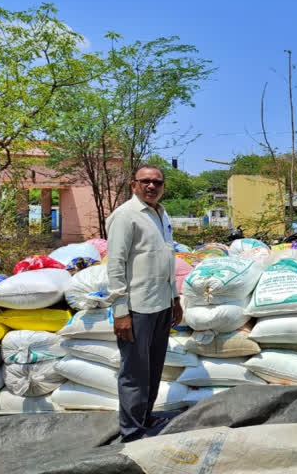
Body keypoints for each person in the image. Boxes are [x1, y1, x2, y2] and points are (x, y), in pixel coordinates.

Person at [106, 165, 183, 442]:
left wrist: (174, 298)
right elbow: (115, 265)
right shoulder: (126, 216)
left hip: (161, 303)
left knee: (153, 367)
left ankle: (146, 416)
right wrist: (120, 311)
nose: (152, 186)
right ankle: (131, 431)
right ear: (133, 185)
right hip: (137, 307)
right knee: (134, 372)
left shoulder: (162, 214)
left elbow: (166, 259)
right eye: (146, 181)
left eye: (157, 182)